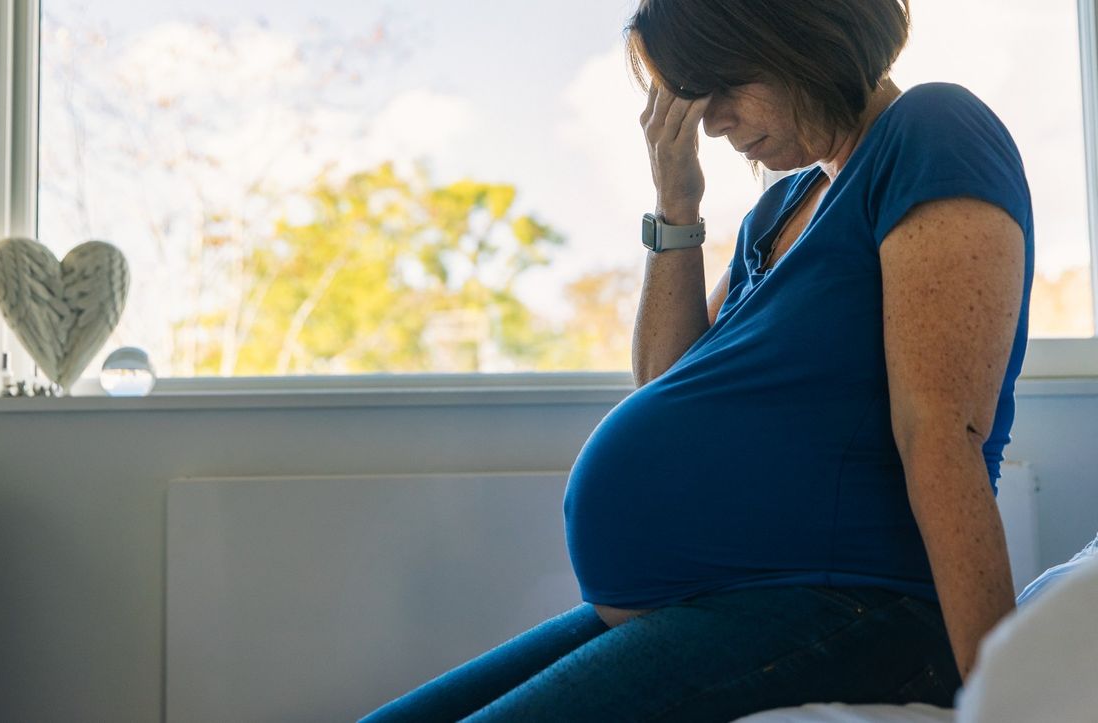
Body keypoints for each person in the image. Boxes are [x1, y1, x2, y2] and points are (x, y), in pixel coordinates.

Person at [361, 0, 1033, 719]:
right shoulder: (783, 209)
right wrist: (675, 203)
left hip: (855, 601)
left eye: (722, 88)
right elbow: (666, 384)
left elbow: (942, 431)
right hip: (730, 596)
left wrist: (1003, 699)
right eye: (693, 97)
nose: (711, 123)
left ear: (800, 37)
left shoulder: (933, 131)